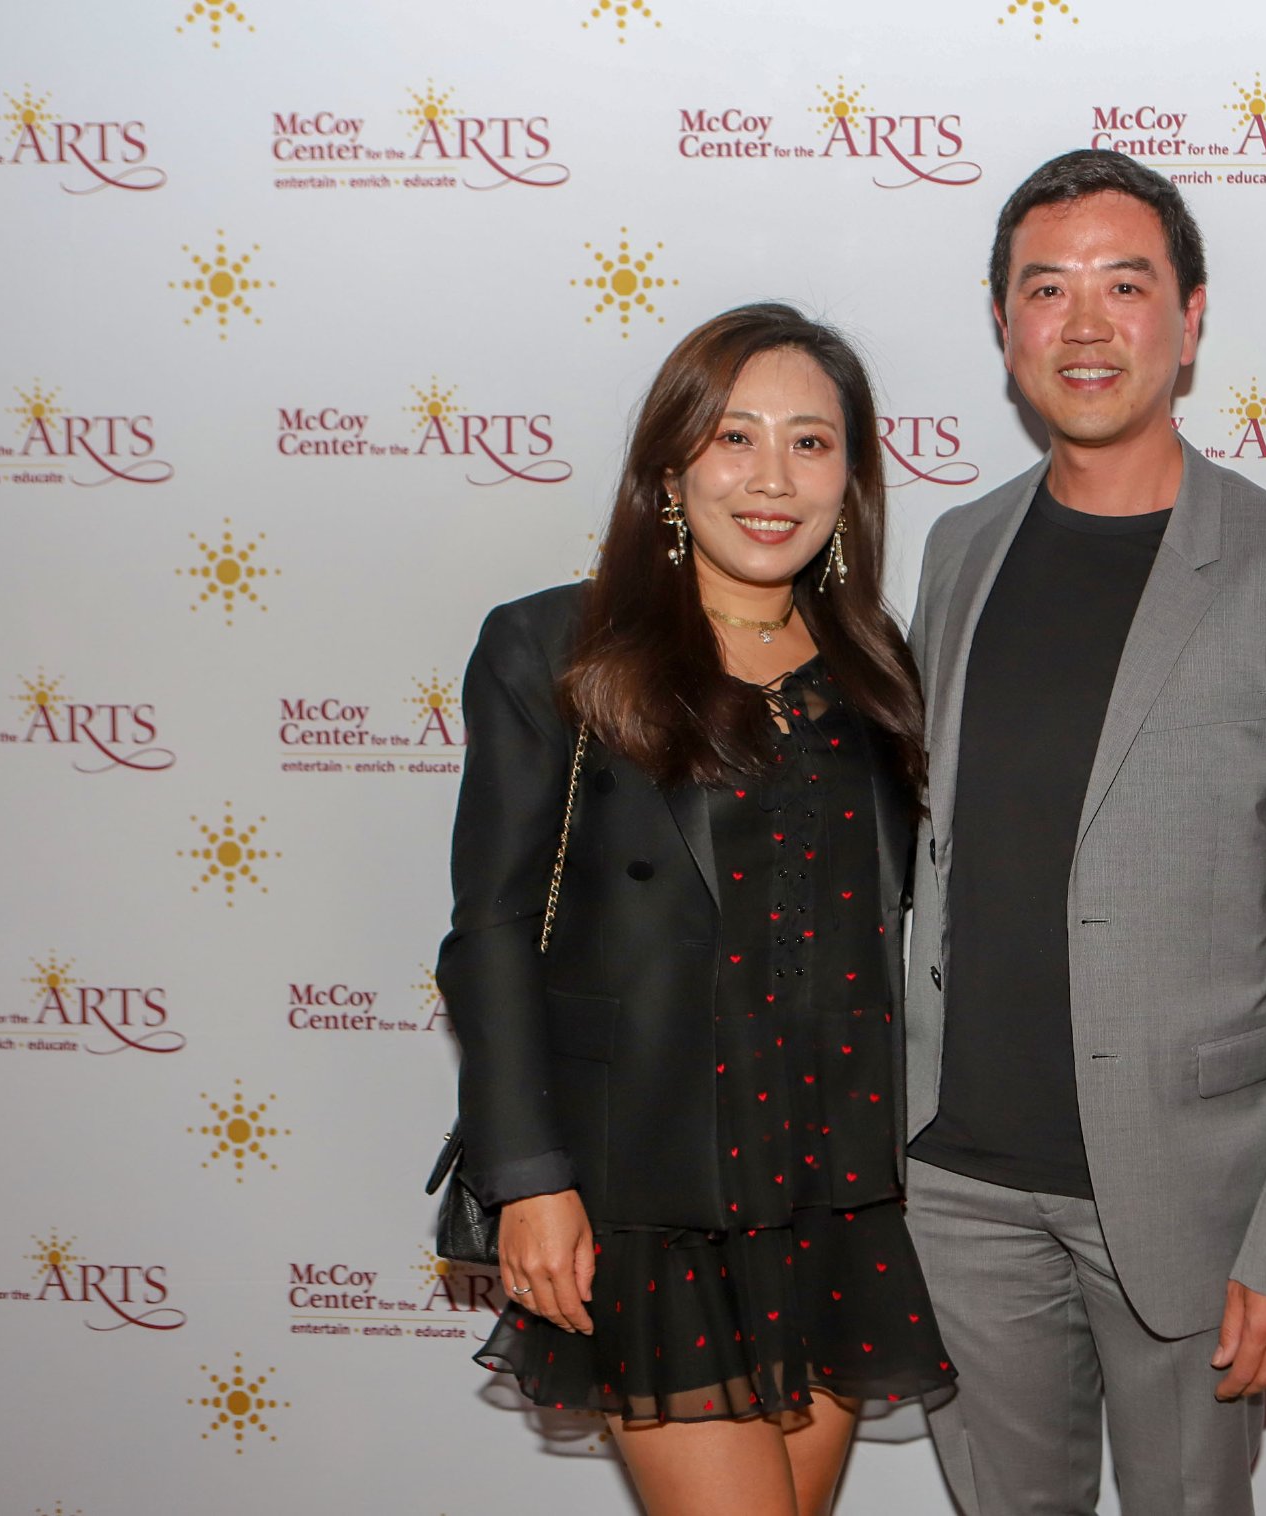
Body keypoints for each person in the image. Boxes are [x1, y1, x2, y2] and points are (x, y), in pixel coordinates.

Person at [901, 150, 1266, 1513]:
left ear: (1189, 317)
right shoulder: (956, 548)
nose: (1083, 323)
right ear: (1001, 322)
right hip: (956, 1185)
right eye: (1043, 288)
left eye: (1123, 286)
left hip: (1191, 1195)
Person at [435, 303, 955, 1516]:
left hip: (834, 1183)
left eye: (810, 443)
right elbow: (490, 929)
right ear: (670, 468)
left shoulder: (878, 667)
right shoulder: (556, 648)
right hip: (642, 1189)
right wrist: (528, 1178)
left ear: (850, 479)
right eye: (734, 437)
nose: (773, 478)